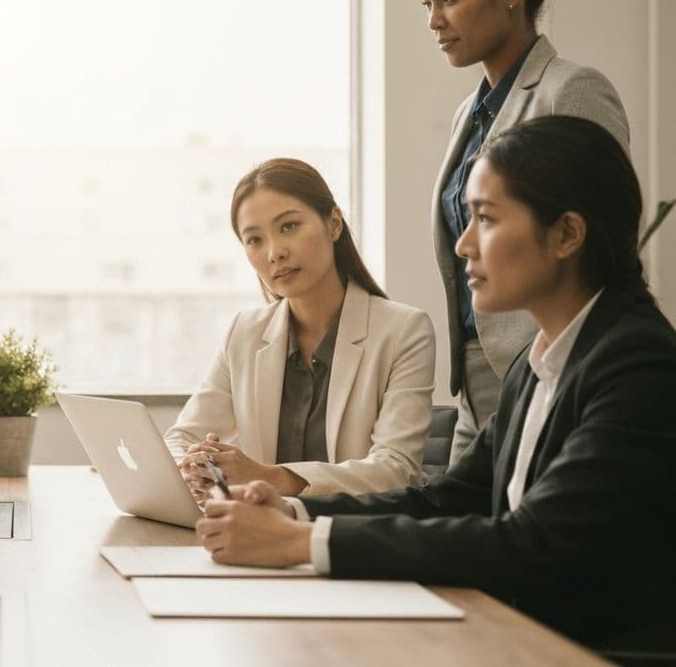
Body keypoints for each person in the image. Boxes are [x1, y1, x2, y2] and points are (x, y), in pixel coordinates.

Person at [196, 117, 676, 653]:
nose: (464, 245)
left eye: (486, 219)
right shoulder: (538, 362)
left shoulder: (637, 363)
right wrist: (294, 511)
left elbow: (531, 543)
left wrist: (299, 541)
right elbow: (449, 497)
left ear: (565, 234)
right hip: (513, 637)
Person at [421, 0, 630, 463]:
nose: (434, 21)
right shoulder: (471, 110)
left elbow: (602, 243)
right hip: (474, 378)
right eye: (427, 4)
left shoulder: (572, 90)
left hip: (545, 367)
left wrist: (556, 362)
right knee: (455, 531)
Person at [164, 159, 434, 497]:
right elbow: (181, 438)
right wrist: (194, 467)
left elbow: (396, 470)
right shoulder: (243, 332)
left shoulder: (405, 331)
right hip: (257, 534)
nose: (275, 253)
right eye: (255, 240)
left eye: (289, 226)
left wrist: (271, 477)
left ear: (334, 224)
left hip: (350, 537)